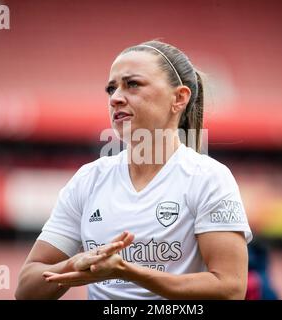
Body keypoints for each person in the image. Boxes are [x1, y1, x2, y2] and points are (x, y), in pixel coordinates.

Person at [15, 40, 252, 300]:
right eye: (111, 89)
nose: (115, 98)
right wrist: (74, 264)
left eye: (132, 84)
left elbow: (230, 289)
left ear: (179, 98)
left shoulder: (208, 178)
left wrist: (129, 272)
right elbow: (27, 289)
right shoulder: (88, 180)